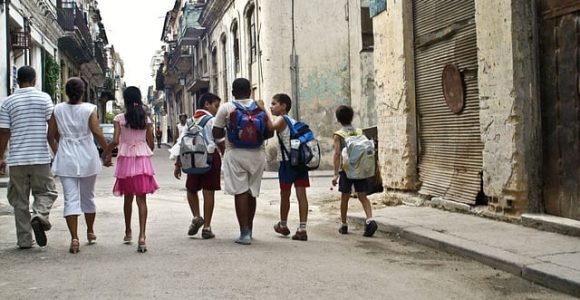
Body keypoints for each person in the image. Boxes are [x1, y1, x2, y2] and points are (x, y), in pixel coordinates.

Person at [47, 77, 111, 253]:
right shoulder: (89, 109)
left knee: (70, 198)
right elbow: (97, 132)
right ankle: (90, 231)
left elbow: (50, 135)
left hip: (66, 156)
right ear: (82, 91)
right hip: (87, 156)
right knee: (88, 196)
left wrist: (58, 152)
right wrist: (106, 152)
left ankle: (74, 238)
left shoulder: (57, 109)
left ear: (66, 91)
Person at [0, 66, 58, 249]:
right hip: (40, 157)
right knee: (47, 192)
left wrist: (1, 157)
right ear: (34, 80)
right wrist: (57, 150)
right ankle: (39, 214)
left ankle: (24, 240)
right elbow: (53, 125)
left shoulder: (7, 102)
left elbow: (4, 132)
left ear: (17, 80)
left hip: (17, 160)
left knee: (19, 200)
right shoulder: (44, 98)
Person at [212, 78, 272, 245]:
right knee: (252, 192)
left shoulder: (227, 107)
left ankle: (244, 233)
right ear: (250, 91)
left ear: (233, 92)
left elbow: (216, 132)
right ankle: (250, 229)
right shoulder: (259, 107)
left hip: (235, 153)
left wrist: (224, 142)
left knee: (240, 192)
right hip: (257, 154)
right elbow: (269, 133)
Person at [105, 86, 159, 253]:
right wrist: (144, 148)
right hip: (142, 159)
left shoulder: (119, 118)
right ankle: (142, 237)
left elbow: (115, 141)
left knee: (127, 198)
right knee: (141, 200)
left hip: (126, 159)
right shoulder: (146, 119)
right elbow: (151, 143)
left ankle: (128, 231)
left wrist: (106, 153)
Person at [174, 93, 221, 239]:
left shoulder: (189, 122)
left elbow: (181, 143)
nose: (217, 109)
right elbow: (220, 140)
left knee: (191, 189)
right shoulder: (212, 120)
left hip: (192, 159)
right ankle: (207, 227)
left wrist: (178, 163)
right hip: (210, 158)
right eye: (216, 106)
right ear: (207, 104)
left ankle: (196, 216)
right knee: (209, 191)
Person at [267, 94, 309, 241]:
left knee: (285, 194)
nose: (271, 107)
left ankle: (283, 224)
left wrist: (261, 111)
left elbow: (271, 127)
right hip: (300, 162)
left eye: (274, 104)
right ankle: (302, 228)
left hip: (287, 163)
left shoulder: (282, 119)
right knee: (301, 195)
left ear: (283, 106)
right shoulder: (293, 121)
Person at [331, 105, 377, 237]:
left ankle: (344, 225)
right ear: (352, 117)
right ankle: (370, 219)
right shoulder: (359, 132)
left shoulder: (339, 135)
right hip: (361, 170)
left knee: (344, 197)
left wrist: (335, 174)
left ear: (338, 119)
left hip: (347, 171)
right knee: (363, 196)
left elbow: (337, 154)